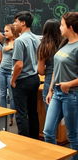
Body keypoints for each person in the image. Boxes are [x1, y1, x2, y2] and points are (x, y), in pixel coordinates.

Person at [43, 12, 78, 159]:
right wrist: (50, 90)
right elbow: (56, 70)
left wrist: (69, 84)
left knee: (73, 136)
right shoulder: (64, 43)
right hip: (57, 93)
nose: (60, 27)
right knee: (48, 132)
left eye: (62, 25)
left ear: (70, 27)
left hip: (72, 94)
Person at [11, 11, 40, 139]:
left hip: (22, 80)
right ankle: (34, 139)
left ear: (23, 23)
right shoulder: (37, 38)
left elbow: (19, 65)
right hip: (34, 78)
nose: (14, 24)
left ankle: (23, 141)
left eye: (16, 22)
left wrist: (13, 80)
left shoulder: (19, 40)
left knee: (21, 113)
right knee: (33, 111)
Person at [0, 7, 20, 125]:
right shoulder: (4, 41)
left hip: (11, 72)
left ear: (13, 32)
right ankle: (4, 116)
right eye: (4, 31)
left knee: (12, 96)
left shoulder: (18, 41)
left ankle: (11, 116)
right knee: (2, 93)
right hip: (2, 70)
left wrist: (12, 47)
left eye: (7, 31)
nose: (4, 33)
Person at [37, 19, 62, 109]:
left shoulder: (44, 46)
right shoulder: (64, 44)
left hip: (49, 81)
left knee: (51, 115)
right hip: (64, 80)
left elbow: (41, 71)